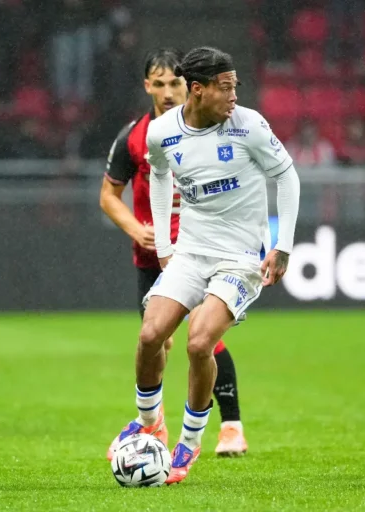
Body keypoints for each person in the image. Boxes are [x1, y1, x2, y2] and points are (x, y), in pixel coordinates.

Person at [110, 47, 301, 484]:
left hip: (238, 259)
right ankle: (148, 421)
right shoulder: (162, 133)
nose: (235, 95)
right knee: (150, 333)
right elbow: (158, 175)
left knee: (199, 344)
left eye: (236, 85)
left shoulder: (249, 126)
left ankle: (189, 443)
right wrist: (164, 244)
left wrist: (282, 245)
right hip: (191, 254)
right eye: (226, 87)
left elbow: (287, 176)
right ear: (198, 90)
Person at [100, 48, 248, 459]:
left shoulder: (213, 128)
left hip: (202, 250)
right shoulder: (138, 135)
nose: (168, 92)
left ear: (191, 86)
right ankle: (155, 426)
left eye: (175, 84)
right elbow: (109, 195)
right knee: (156, 341)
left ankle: (231, 427)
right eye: (159, 84)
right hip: (153, 257)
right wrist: (136, 229)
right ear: (147, 85)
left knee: (205, 340)